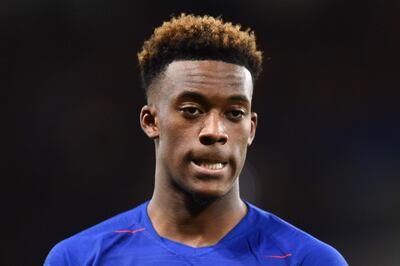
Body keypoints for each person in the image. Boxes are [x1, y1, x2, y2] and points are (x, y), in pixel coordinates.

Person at [45, 14, 348, 265]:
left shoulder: (308, 259)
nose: (215, 131)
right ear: (151, 122)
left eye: (234, 113)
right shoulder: (80, 258)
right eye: (192, 110)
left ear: (251, 128)